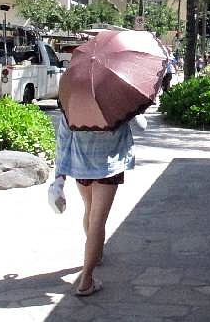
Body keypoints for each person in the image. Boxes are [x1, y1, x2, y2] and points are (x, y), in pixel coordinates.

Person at [53, 113, 146, 296]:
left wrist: (59, 177)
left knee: (89, 209)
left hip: (81, 165)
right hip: (108, 166)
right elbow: (142, 126)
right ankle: (86, 280)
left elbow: (63, 137)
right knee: (97, 220)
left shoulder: (74, 100)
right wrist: (134, 111)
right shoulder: (118, 102)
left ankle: (96, 255)